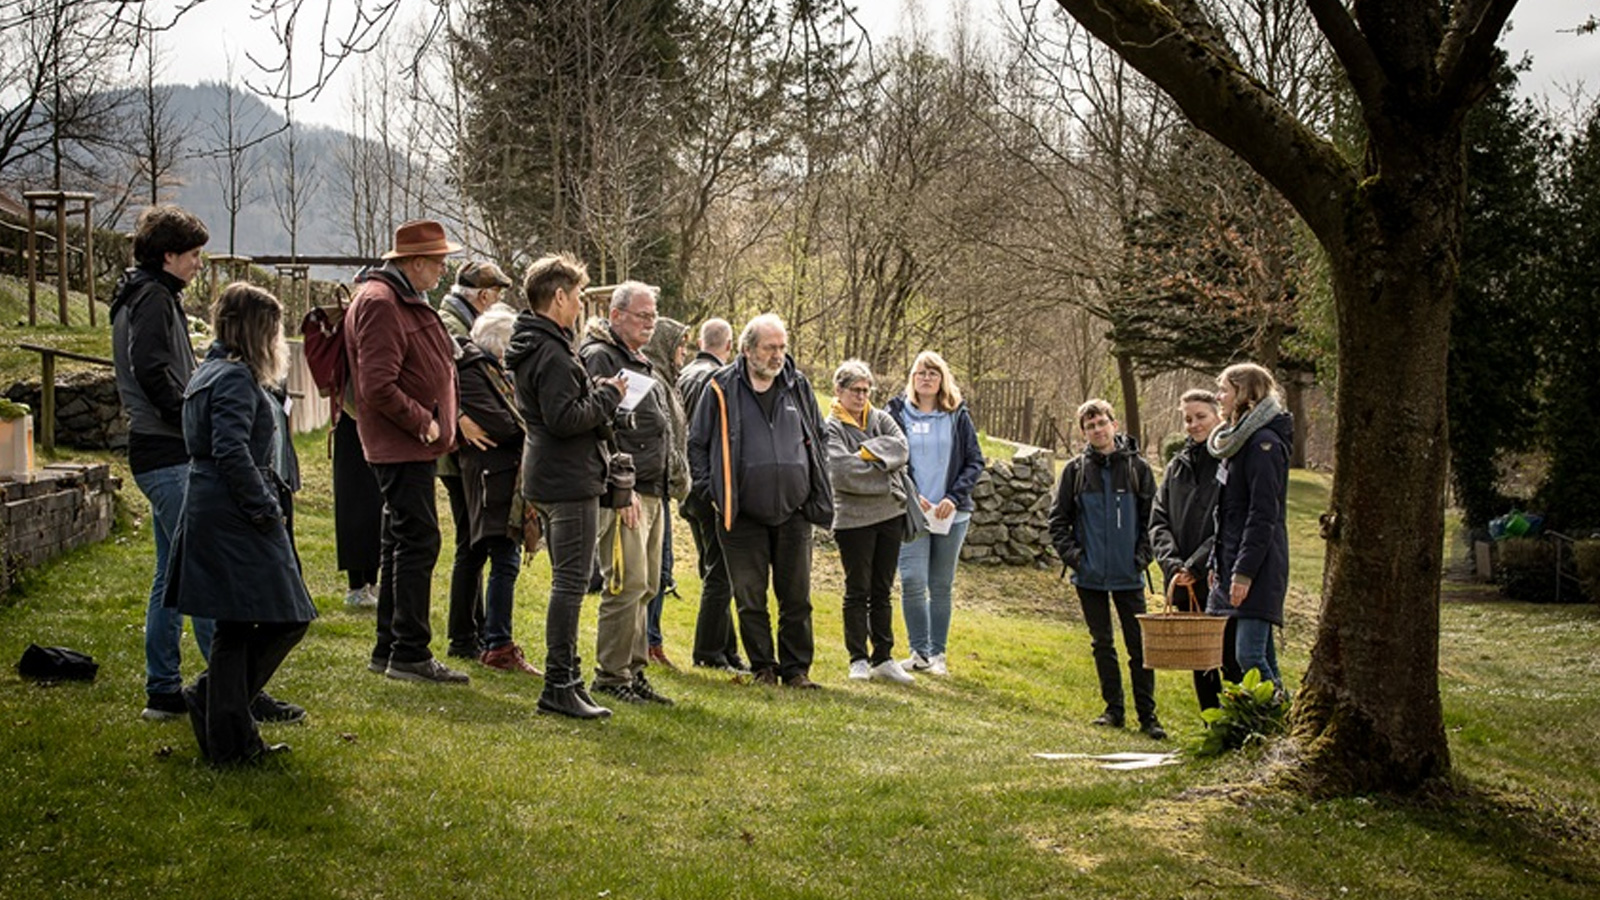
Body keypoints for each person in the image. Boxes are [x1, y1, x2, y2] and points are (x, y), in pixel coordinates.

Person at [166, 283, 317, 765]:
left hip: (214, 506)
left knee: (235, 622)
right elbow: (230, 449)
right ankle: (219, 707)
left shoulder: (207, 371)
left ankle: (229, 735)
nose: (278, 340)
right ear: (256, 330)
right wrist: (263, 508)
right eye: (273, 329)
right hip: (235, 511)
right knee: (288, 615)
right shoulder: (232, 379)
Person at [108, 204, 220, 720]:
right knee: (204, 568)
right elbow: (153, 371)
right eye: (194, 255)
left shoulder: (150, 294)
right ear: (169, 254)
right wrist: (191, 418)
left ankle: (164, 691)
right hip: (167, 451)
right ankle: (230, 688)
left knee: (169, 575)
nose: (200, 263)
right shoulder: (152, 297)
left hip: (156, 450)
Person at [505, 252, 628, 719]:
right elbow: (565, 418)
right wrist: (608, 395)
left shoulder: (535, 343)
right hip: (568, 477)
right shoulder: (552, 350)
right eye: (577, 296)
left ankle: (568, 679)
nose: (579, 305)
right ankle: (560, 682)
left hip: (549, 473)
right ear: (558, 297)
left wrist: (589, 391)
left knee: (570, 582)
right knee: (571, 584)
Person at [345, 219, 467, 684]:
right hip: (402, 444)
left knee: (400, 542)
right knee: (418, 541)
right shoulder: (381, 302)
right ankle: (410, 652)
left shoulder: (397, 298)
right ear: (415, 262)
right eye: (438, 263)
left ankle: (390, 648)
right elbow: (377, 385)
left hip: (410, 445)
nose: (441, 272)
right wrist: (424, 422)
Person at [687, 313, 832, 690]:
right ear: (747, 349)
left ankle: (796, 670)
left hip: (794, 511)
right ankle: (763, 667)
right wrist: (711, 492)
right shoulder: (719, 386)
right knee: (750, 599)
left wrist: (815, 484)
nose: (778, 355)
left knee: (796, 598)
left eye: (782, 347)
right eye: (770, 348)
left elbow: (819, 437)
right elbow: (697, 444)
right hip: (742, 514)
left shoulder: (797, 386)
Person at [578, 282, 674, 706]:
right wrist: (624, 484)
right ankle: (611, 675)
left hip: (654, 487)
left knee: (648, 584)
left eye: (653, 316)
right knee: (625, 580)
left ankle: (633, 672)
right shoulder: (601, 355)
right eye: (641, 315)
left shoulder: (641, 359)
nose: (650, 323)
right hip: (625, 489)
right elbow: (603, 424)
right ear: (615, 315)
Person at [1047, 399, 1165, 740]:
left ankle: (1148, 716)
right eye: (1090, 426)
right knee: (1102, 643)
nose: (1097, 430)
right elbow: (1058, 522)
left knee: (1139, 647)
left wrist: (1142, 557)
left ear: (1114, 424)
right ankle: (1113, 710)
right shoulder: (1074, 470)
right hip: (1090, 575)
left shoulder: (1138, 469)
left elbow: (1153, 521)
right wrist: (1078, 559)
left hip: (1129, 575)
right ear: (1084, 432)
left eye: (1102, 423)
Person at [885, 351, 984, 677]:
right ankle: (919, 653)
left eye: (933, 373)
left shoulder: (957, 415)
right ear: (912, 378)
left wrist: (954, 498)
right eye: (920, 372)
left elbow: (974, 461)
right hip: (912, 511)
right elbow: (890, 459)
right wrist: (914, 494)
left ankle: (938, 655)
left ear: (942, 379)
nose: (926, 377)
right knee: (913, 580)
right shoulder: (898, 413)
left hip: (951, 515)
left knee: (941, 585)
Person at [456, 304, 541, 677]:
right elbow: (506, 425)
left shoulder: (490, 373)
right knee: (499, 559)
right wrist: (530, 423)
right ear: (501, 345)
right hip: (492, 477)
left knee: (479, 556)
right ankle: (497, 643)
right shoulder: (476, 373)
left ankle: (469, 638)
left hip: (500, 473)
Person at [437, 260, 514, 658]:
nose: (497, 301)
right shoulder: (452, 325)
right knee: (471, 543)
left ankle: (478, 629)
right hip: (463, 454)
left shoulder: (458, 319)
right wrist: (461, 418)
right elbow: (444, 378)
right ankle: (465, 636)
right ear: (484, 295)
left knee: (475, 543)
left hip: (464, 451)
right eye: (496, 294)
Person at [824, 360, 915, 684]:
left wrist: (863, 453)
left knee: (882, 589)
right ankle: (858, 658)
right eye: (855, 390)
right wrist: (881, 463)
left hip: (891, 514)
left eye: (866, 390)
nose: (862, 396)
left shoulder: (882, 418)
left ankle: (884, 657)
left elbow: (902, 450)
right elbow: (841, 473)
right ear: (839, 390)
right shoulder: (831, 427)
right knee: (857, 589)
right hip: (852, 520)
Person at [1150, 389, 1239, 710]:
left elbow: (1229, 522)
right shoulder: (1176, 467)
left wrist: (1196, 565)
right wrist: (1174, 566)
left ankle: (1239, 732)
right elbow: (1157, 520)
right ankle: (1210, 725)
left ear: (1219, 416)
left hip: (1218, 575)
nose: (1193, 424)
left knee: (1230, 658)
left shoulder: (1231, 461)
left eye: (1200, 417)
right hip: (1183, 581)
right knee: (1200, 662)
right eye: (1188, 419)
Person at [1206, 363, 1293, 693]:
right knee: (1261, 656)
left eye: (1225, 389)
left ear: (1246, 395)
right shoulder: (1237, 443)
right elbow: (1228, 513)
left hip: (1259, 567)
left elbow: (1262, 515)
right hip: (1233, 560)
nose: (1219, 396)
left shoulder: (1263, 445)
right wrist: (1218, 563)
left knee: (1250, 656)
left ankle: (1278, 719)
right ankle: (1276, 726)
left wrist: (1243, 573)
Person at [677, 318, 746, 673]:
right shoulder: (718, 380)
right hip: (710, 484)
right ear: (730, 345)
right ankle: (708, 650)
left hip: (688, 485)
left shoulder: (686, 373)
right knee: (721, 572)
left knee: (714, 568)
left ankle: (727, 649)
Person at [640, 316, 693, 669]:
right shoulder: (652, 380)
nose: (684, 353)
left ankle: (653, 641)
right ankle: (646, 641)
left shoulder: (670, 381)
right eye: (680, 346)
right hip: (653, 483)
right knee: (653, 570)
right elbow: (663, 436)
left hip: (666, 484)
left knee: (663, 568)